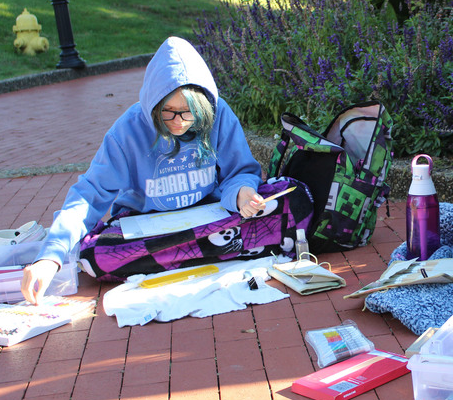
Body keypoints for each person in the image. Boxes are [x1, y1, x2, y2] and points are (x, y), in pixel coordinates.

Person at [22, 36, 313, 304]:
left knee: (287, 198)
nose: (179, 122)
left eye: (189, 112)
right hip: (150, 232)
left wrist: (242, 194)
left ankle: (182, 258)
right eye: (168, 112)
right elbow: (89, 194)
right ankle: (219, 253)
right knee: (94, 255)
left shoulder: (219, 114)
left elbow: (241, 171)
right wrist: (51, 257)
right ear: (152, 104)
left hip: (208, 225)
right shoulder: (127, 131)